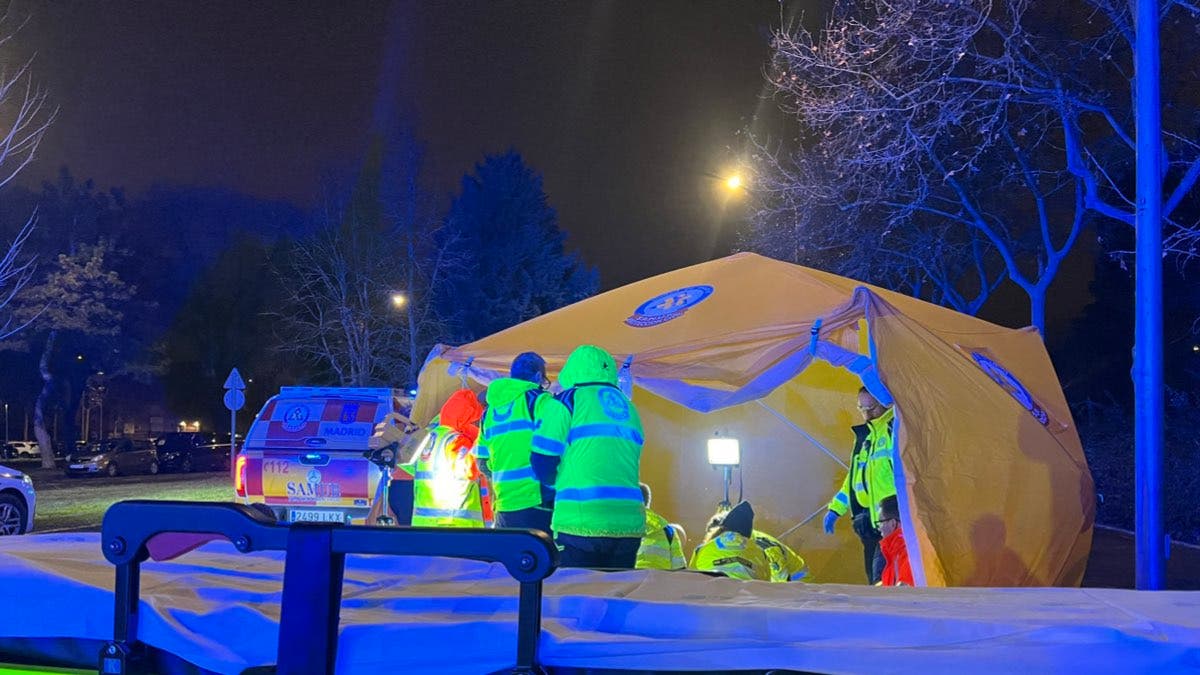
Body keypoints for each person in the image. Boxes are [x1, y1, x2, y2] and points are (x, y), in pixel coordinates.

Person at [531, 345, 645, 568]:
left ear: (572, 369)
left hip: (581, 522)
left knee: (578, 588)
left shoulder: (567, 401)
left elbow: (543, 459)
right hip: (629, 523)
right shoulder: (627, 407)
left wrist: (554, 485)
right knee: (618, 589)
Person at [822, 387, 896, 584]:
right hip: (871, 525)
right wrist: (836, 509)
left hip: (894, 524)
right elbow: (854, 480)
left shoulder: (894, 429)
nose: (866, 414)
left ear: (884, 402)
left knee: (887, 581)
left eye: (871, 408)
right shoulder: (866, 438)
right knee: (877, 580)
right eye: (861, 408)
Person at [476, 352, 555, 534]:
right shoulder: (540, 401)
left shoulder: (489, 413)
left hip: (504, 505)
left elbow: (482, 462)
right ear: (538, 376)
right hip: (539, 501)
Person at [411, 389, 486, 527]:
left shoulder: (430, 436)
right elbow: (471, 470)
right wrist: (481, 442)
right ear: (467, 419)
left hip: (424, 523)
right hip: (453, 523)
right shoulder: (457, 440)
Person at [689, 501, 771, 581]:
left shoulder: (701, 549)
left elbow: (690, 579)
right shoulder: (760, 553)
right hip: (747, 588)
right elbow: (766, 581)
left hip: (713, 587)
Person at [636, 482, 687, 570]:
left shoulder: (615, 529)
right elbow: (679, 570)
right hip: (660, 579)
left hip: (626, 579)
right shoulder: (668, 531)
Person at [876, 495, 914, 586]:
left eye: (880, 522)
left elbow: (904, 591)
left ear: (893, 523)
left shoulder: (906, 553)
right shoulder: (897, 552)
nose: (879, 528)